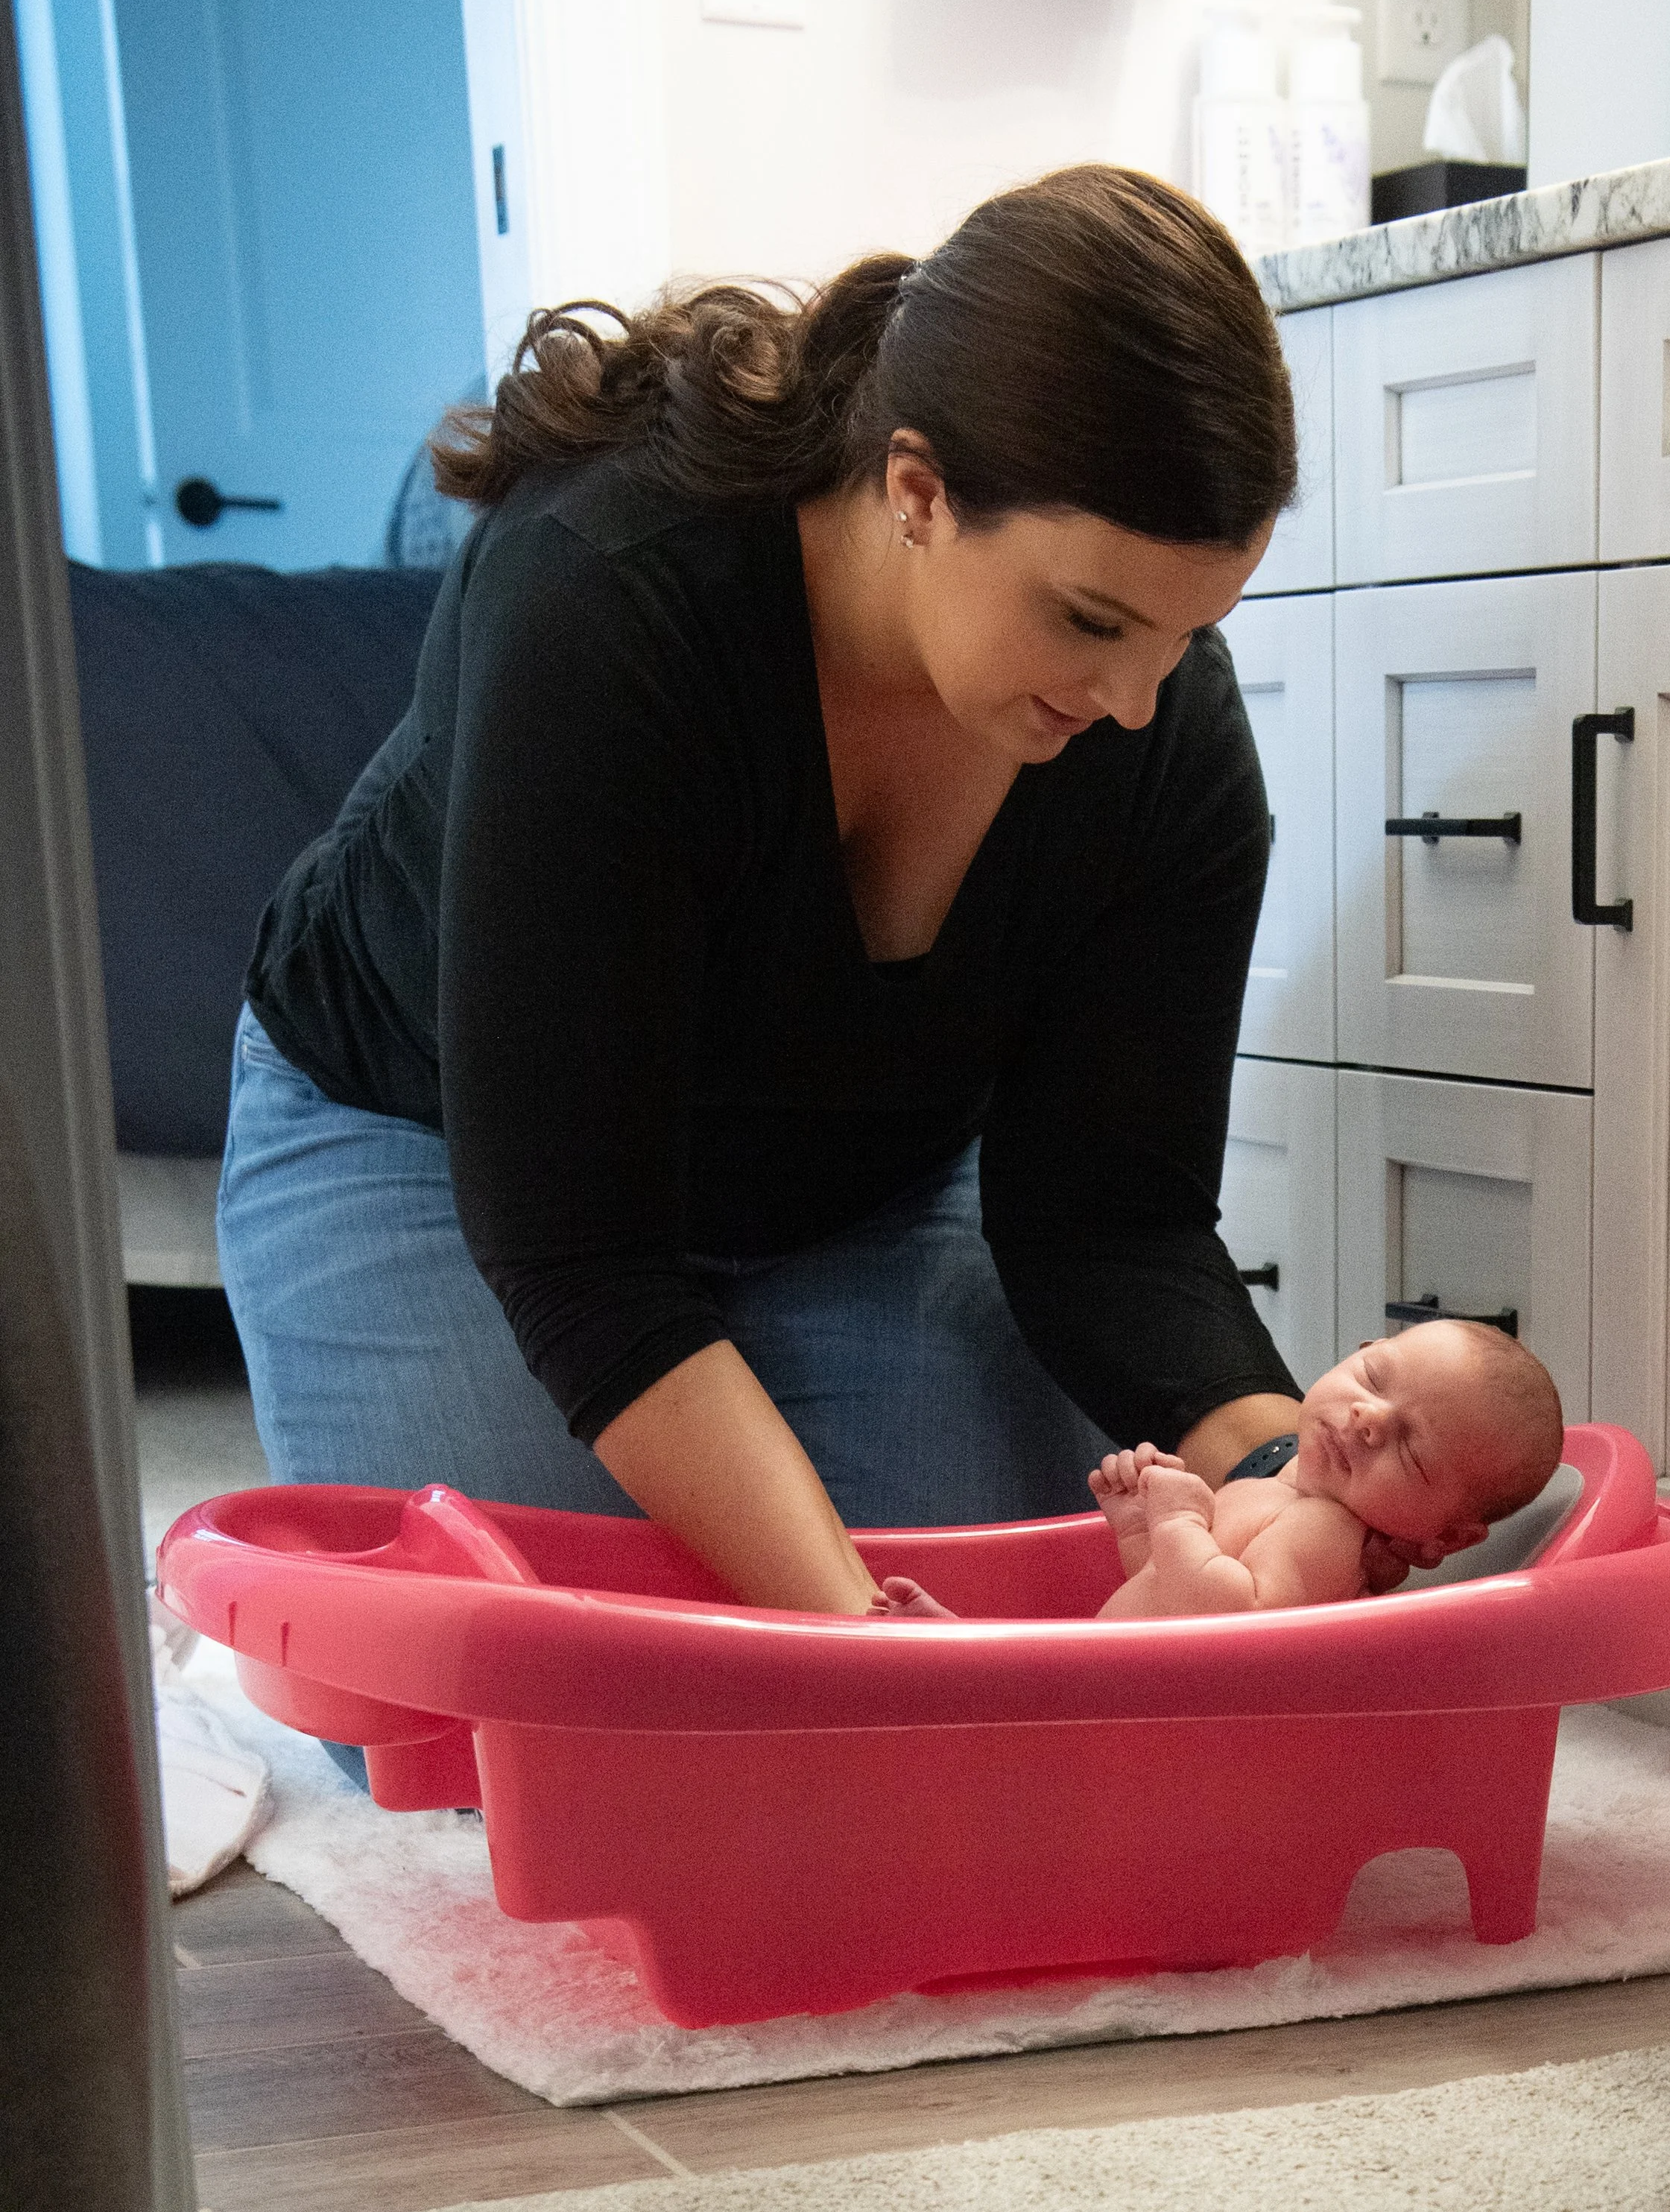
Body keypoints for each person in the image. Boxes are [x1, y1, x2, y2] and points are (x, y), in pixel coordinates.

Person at [218, 163, 1313, 1632]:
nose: (1133, 700)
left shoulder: (1162, 734)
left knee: (1027, 1631)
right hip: (430, 1144)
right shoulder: (609, 595)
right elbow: (582, 1255)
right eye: (1089, 619)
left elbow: (1109, 1220)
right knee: (536, 1680)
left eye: (1185, 635)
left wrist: (1303, 1479)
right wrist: (865, 1641)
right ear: (918, 489)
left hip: (856, 1187)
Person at [1089, 1320, 1564, 1619]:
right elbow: (1167, 1595)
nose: (1368, 1417)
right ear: (1361, 1348)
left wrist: (1176, 1522)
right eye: (1372, 1377)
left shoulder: (1326, 1531)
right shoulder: (1284, 1493)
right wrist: (1140, 1531)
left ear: (1449, 1536)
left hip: (1162, 1720)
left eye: (1412, 1452)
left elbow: (1230, 1621)